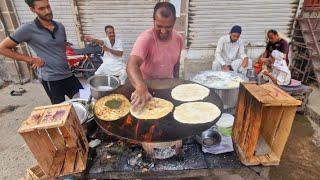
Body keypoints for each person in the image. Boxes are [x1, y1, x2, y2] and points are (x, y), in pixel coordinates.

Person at [0, 0, 83, 104]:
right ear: (32, 10)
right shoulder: (27, 29)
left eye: (48, 6)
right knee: (60, 110)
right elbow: (2, 48)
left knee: (84, 100)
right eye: (42, 8)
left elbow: (59, 47)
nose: (47, 11)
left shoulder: (60, 26)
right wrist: (31, 59)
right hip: (51, 79)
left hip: (67, 73)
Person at [127, 2, 183, 109]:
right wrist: (140, 86)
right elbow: (131, 65)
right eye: (159, 26)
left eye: (168, 27)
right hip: (146, 90)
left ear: (174, 22)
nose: (163, 31)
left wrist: (176, 83)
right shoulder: (145, 38)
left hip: (168, 87)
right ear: (154, 21)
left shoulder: (178, 38)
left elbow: (176, 64)